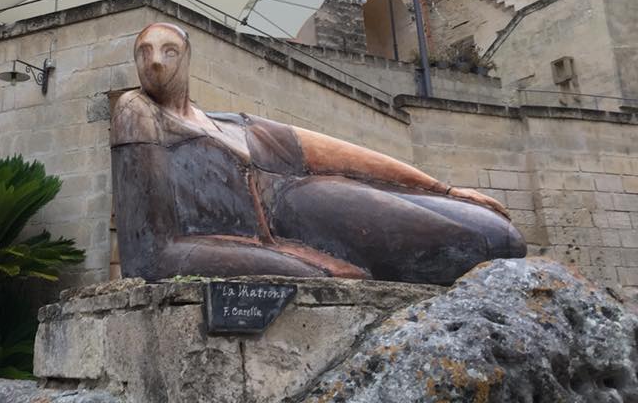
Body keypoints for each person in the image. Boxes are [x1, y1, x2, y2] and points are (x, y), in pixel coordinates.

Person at [110, 22, 526, 284]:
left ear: (186, 61)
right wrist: (300, 265)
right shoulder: (137, 112)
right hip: (296, 229)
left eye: (169, 52)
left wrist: (444, 189)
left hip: (316, 199)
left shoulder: (226, 121)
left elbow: (332, 153)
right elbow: (149, 257)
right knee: (484, 244)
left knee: (495, 230)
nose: (156, 64)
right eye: (144, 53)